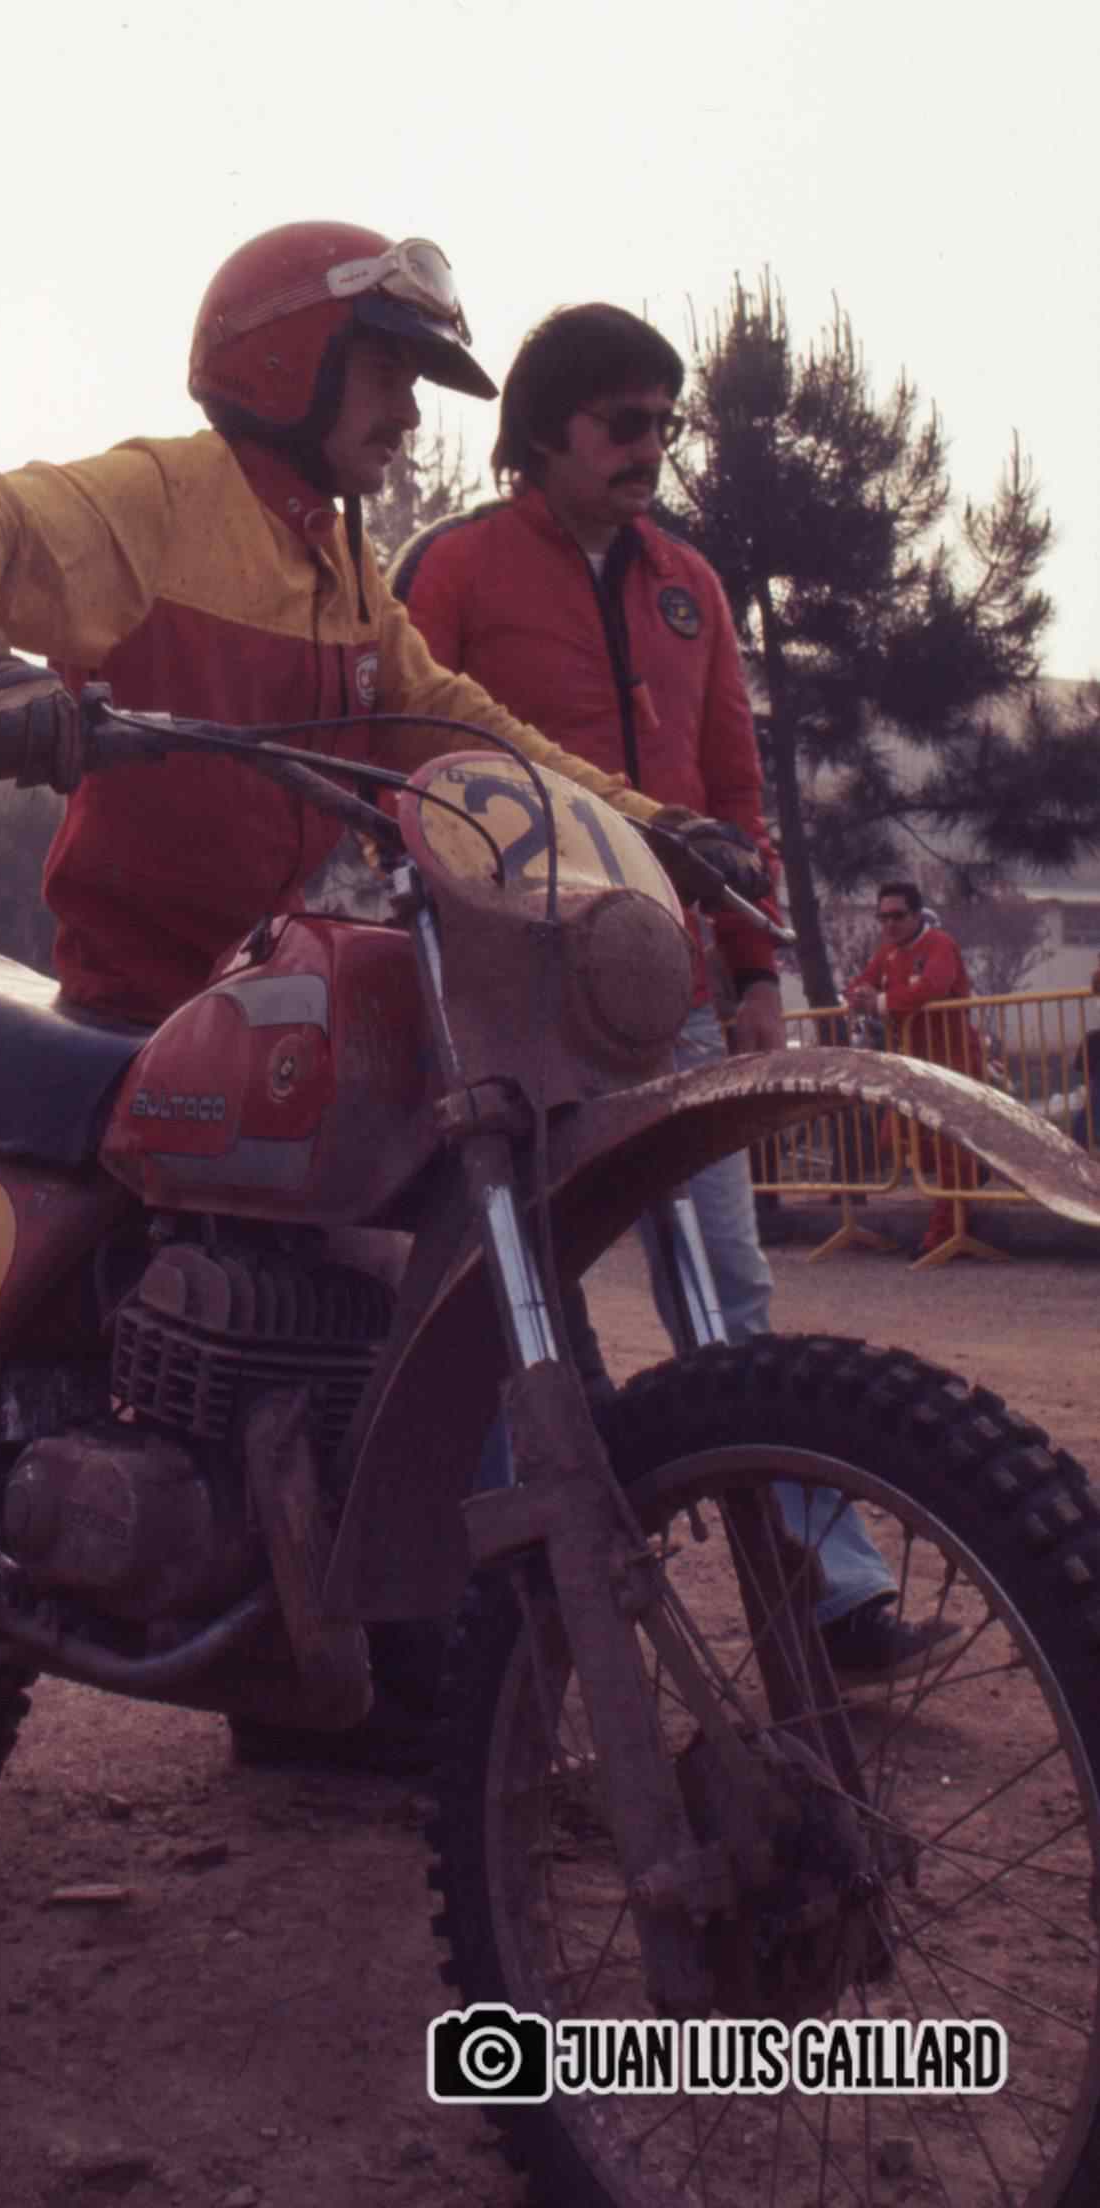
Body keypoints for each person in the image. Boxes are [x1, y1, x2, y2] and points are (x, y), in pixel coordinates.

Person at [0, 224, 764, 1772]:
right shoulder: (161, 499)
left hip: (268, 975)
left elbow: (446, 721)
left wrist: (644, 824)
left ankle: (315, 1643)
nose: (409, 416)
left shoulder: (341, 568)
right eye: (387, 375)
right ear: (289, 363)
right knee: (219, 1283)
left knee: (376, 1281)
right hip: (139, 985)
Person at [392, 302, 961, 1687]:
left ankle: (823, 1606)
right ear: (541, 433)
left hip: (673, 992)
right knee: (501, 1308)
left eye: (664, 421)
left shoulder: (687, 584)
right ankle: (501, 1655)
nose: (649, 446)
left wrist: (756, 967)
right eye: (621, 422)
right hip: (502, 999)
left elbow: (728, 792)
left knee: (725, 1291)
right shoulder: (450, 568)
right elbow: (397, 749)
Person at [845, 883, 985, 1256]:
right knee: (893, 1138)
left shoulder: (940, 944)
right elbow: (858, 986)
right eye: (883, 917)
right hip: (913, 1066)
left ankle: (943, 1237)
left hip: (954, 1062)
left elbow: (932, 987)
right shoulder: (887, 952)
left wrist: (879, 1002)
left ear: (917, 915)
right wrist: (859, 996)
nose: (889, 924)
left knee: (949, 1153)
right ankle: (977, 1169)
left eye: (897, 915)